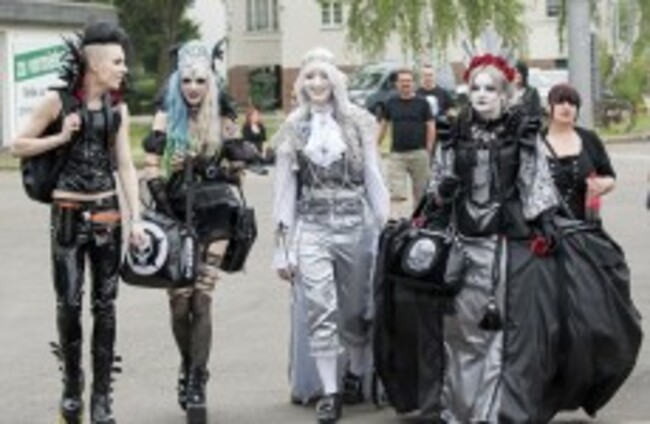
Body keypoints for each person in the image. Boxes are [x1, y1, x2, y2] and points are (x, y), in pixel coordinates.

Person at [10, 22, 144, 424]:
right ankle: (72, 387)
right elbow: (17, 145)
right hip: (67, 216)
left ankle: (101, 399)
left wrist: (136, 220)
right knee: (69, 305)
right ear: (95, 64)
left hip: (108, 217)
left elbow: (125, 165)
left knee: (106, 307)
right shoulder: (58, 103)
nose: (123, 68)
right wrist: (60, 137)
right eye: (117, 62)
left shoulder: (117, 110)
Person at [427, 53, 560, 423]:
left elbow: (535, 181)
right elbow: (436, 187)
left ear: (505, 95)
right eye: (476, 88)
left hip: (502, 246)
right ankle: (457, 410)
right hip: (460, 242)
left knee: (497, 330)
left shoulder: (522, 132)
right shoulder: (454, 132)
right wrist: (443, 190)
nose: (482, 95)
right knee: (459, 330)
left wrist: (545, 221)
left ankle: (487, 413)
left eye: (490, 89)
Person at [272, 47, 389, 423]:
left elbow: (373, 174)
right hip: (312, 227)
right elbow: (284, 190)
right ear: (301, 83)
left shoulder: (359, 121)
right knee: (320, 307)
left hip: (356, 226)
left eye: (323, 75)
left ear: (335, 80)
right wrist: (282, 249)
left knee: (355, 311)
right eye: (310, 76)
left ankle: (355, 370)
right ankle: (330, 391)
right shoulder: (294, 126)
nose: (317, 83)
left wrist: (384, 224)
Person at [141, 40, 239, 424]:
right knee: (179, 303)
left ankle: (197, 380)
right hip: (175, 211)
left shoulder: (223, 112)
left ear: (210, 81)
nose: (193, 87)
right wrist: (165, 184)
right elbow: (150, 165)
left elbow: (238, 165)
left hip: (216, 214)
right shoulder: (166, 112)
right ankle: (189, 363)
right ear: (177, 81)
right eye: (187, 80)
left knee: (202, 298)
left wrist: (208, 165)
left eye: (200, 80)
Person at [543, 83, 615, 220]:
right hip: (545, 227)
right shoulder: (536, 142)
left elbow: (610, 176)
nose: (566, 107)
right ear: (549, 107)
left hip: (584, 225)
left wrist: (603, 184)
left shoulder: (589, 139)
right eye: (560, 102)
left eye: (572, 103)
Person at [378, 68, 435, 215]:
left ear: (413, 83)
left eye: (408, 81)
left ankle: (418, 222)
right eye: (402, 81)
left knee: (421, 194)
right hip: (397, 155)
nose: (406, 84)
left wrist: (429, 148)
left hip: (419, 153)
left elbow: (430, 125)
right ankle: (398, 222)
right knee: (396, 195)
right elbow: (383, 125)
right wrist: (375, 145)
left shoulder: (423, 103)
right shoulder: (390, 102)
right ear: (397, 84)